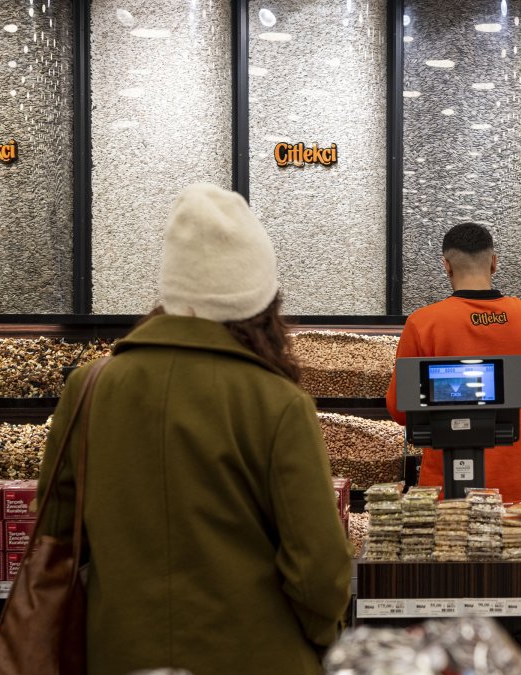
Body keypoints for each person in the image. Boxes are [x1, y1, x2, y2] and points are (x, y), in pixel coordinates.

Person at [34, 184, 352, 675]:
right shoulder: (277, 402)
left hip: (118, 653)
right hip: (258, 657)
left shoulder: (90, 388)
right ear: (263, 294)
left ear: (170, 285)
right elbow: (319, 568)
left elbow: (54, 533)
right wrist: (319, 638)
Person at [386, 223, 521, 503]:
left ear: (446, 266)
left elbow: (399, 409)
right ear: (494, 263)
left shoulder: (423, 323)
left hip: (447, 491)